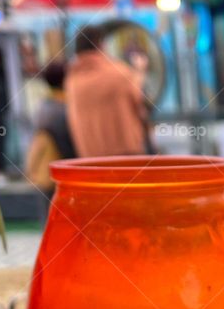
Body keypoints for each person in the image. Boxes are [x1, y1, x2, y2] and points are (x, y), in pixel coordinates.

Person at [65, 25, 148, 157]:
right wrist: (140, 70)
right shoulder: (118, 73)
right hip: (126, 157)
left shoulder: (72, 80)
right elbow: (140, 99)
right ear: (101, 44)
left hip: (91, 161)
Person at [25, 61, 76, 192]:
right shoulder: (68, 107)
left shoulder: (43, 107)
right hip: (64, 173)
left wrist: (31, 169)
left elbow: (38, 140)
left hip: (50, 172)